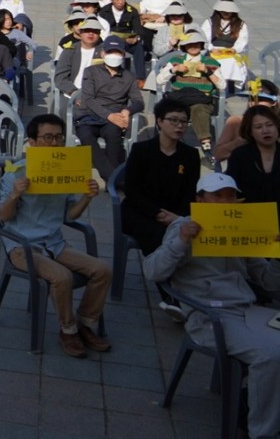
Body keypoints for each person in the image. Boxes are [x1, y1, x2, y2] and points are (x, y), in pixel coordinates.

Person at [142, 172, 280, 439]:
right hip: (210, 314)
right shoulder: (183, 226)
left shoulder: (241, 227)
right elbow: (152, 271)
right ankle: (262, 432)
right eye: (218, 196)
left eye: (230, 196)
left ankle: (256, 401)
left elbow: (268, 281)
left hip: (247, 309)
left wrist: (276, 256)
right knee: (271, 355)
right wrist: (182, 241)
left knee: (273, 353)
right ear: (200, 200)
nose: (225, 202)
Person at [0, 113, 112, 358]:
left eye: (59, 138)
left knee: (102, 270)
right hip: (22, 246)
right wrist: (15, 195)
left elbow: (69, 215)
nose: (54, 143)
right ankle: (68, 330)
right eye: (47, 137)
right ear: (32, 142)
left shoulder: (64, 170)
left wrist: (86, 197)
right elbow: (3, 217)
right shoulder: (15, 173)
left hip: (54, 242)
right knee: (62, 277)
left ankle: (85, 324)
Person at [120, 98, 199, 256]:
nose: (179, 125)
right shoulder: (141, 150)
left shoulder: (191, 155)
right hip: (141, 211)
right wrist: (156, 213)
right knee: (160, 235)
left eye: (184, 121)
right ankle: (159, 269)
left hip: (176, 213)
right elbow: (131, 190)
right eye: (173, 120)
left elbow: (190, 192)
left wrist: (177, 218)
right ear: (159, 121)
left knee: (190, 232)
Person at [75, 35, 144, 180]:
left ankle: (112, 180)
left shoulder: (129, 76)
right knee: (86, 136)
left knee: (114, 138)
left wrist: (127, 110)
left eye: (117, 52)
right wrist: (109, 116)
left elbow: (139, 102)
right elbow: (88, 100)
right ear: (102, 54)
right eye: (110, 51)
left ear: (123, 55)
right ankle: (113, 177)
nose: (113, 55)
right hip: (89, 115)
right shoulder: (91, 71)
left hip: (115, 117)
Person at [155, 31, 222, 155]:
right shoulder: (177, 60)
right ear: (184, 46)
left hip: (201, 99)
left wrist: (207, 71)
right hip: (180, 97)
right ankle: (168, 143)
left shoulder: (209, 62)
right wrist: (174, 70)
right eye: (190, 44)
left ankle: (206, 144)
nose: (193, 46)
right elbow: (159, 80)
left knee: (199, 109)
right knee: (173, 112)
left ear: (201, 45)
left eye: (197, 44)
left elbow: (222, 85)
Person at [225, 105, 280, 212]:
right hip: (249, 215)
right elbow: (231, 190)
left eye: (269, 125)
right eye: (258, 127)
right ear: (250, 132)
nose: (265, 130)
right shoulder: (240, 155)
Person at [213, 79, 279, 163]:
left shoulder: (277, 123)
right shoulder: (236, 121)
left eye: (261, 99)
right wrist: (241, 141)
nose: (256, 103)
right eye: (252, 99)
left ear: (273, 102)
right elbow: (218, 155)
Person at [201, 0, 248, 94]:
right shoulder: (209, 22)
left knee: (233, 63)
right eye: (223, 10)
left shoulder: (241, 24)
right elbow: (204, 38)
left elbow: (242, 40)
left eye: (228, 11)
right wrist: (211, 48)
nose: (226, 13)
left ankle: (229, 88)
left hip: (231, 52)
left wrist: (235, 49)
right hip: (213, 51)